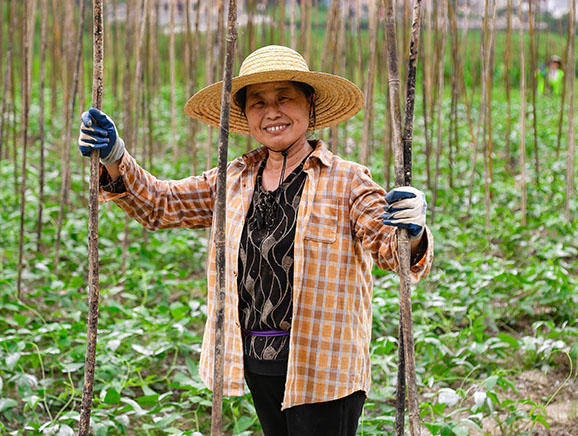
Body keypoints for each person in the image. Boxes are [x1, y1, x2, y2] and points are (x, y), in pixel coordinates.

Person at [78, 45, 433, 436]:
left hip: (325, 367)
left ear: (309, 104)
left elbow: (390, 248)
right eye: (258, 102)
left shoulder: (348, 181)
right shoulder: (233, 179)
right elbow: (162, 204)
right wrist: (115, 157)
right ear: (246, 115)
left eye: (285, 98)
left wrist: (410, 231)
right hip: (257, 362)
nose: (272, 112)